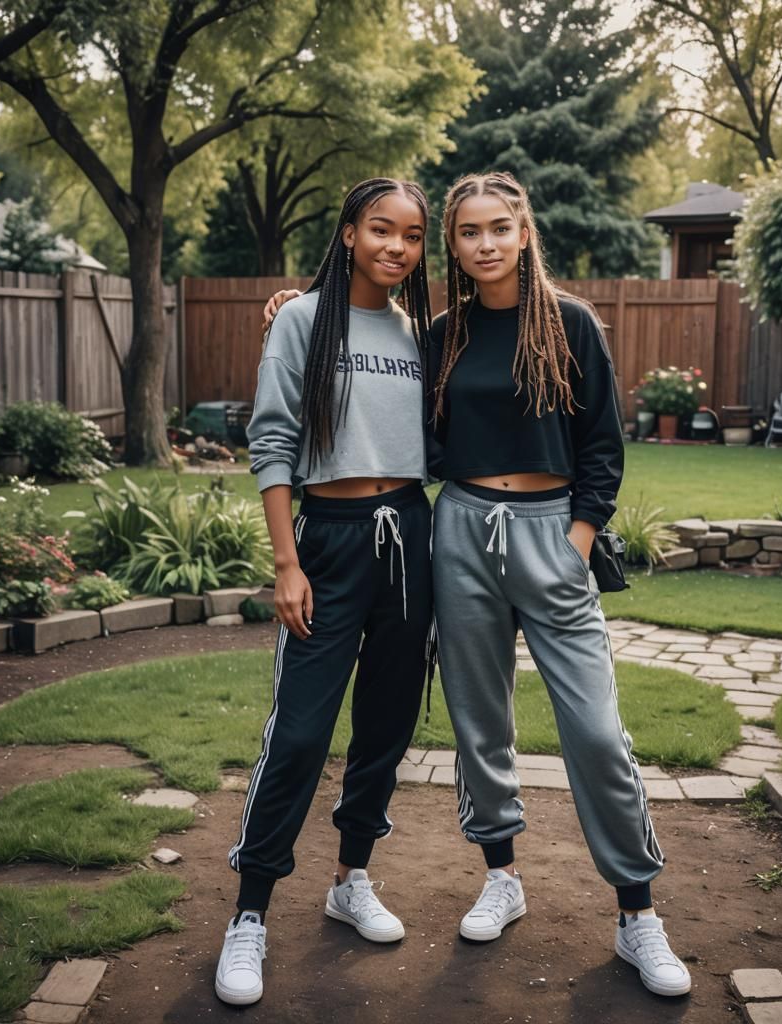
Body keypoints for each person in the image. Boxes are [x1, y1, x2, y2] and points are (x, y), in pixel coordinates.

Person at [427, 171, 690, 998]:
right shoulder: (442, 334)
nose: (486, 244)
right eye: (469, 232)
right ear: (455, 245)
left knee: (598, 733)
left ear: (525, 231)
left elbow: (603, 445)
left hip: (553, 535)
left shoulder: (569, 323)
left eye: (499, 228)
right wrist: (302, 303)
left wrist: (576, 544)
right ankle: (501, 876)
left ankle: (637, 916)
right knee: (479, 723)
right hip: (463, 531)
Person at [215, 178, 435, 1007]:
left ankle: (351, 880)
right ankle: (250, 916)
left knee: (385, 726)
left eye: (412, 237)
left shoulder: (423, 336)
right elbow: (271, 438)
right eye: (381, 229)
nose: (396, 247)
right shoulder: (305, 320)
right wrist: (286, 563)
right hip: (328, 541)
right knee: (302, 733)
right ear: (349, 234)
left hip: (409, 538)